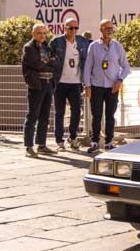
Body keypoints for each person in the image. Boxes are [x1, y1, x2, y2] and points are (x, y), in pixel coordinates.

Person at [84, 20, 131, 152]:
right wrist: (87, 85)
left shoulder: (117, 46)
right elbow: (88, 67)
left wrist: (120, 80)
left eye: (111, 28)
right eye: (106, 28)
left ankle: (109, 141)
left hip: (112, 86)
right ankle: (95, 142)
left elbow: (126, 67)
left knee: (110, 115)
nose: (109, 30)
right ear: (101, 29)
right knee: (96, 115)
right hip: (96, 85)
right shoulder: (93, 46)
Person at [49, 17, 91, 150]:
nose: (73, 30)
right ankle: (59, 141)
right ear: (64, 28)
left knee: (76, 112)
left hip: (76, 83)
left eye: (76, 28)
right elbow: (49, 59)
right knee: (59, 113)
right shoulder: (56, 42)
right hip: (60, 83)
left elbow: (95, 46)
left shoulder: (82, 42)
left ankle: (72, 137)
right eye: (70, 28)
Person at [21, 23, 58, 158]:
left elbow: (55, 62)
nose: (42, 36)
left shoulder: (46, 47)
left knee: (45, 116)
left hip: (48, 83)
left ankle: (41, 145)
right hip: (37, 85)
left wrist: (48, 63)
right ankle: (29, 146)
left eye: (44, 33)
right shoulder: (29, 47)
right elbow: (37, 65)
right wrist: (49, 63)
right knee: (32, 115)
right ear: (33, 34)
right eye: (39, 33)